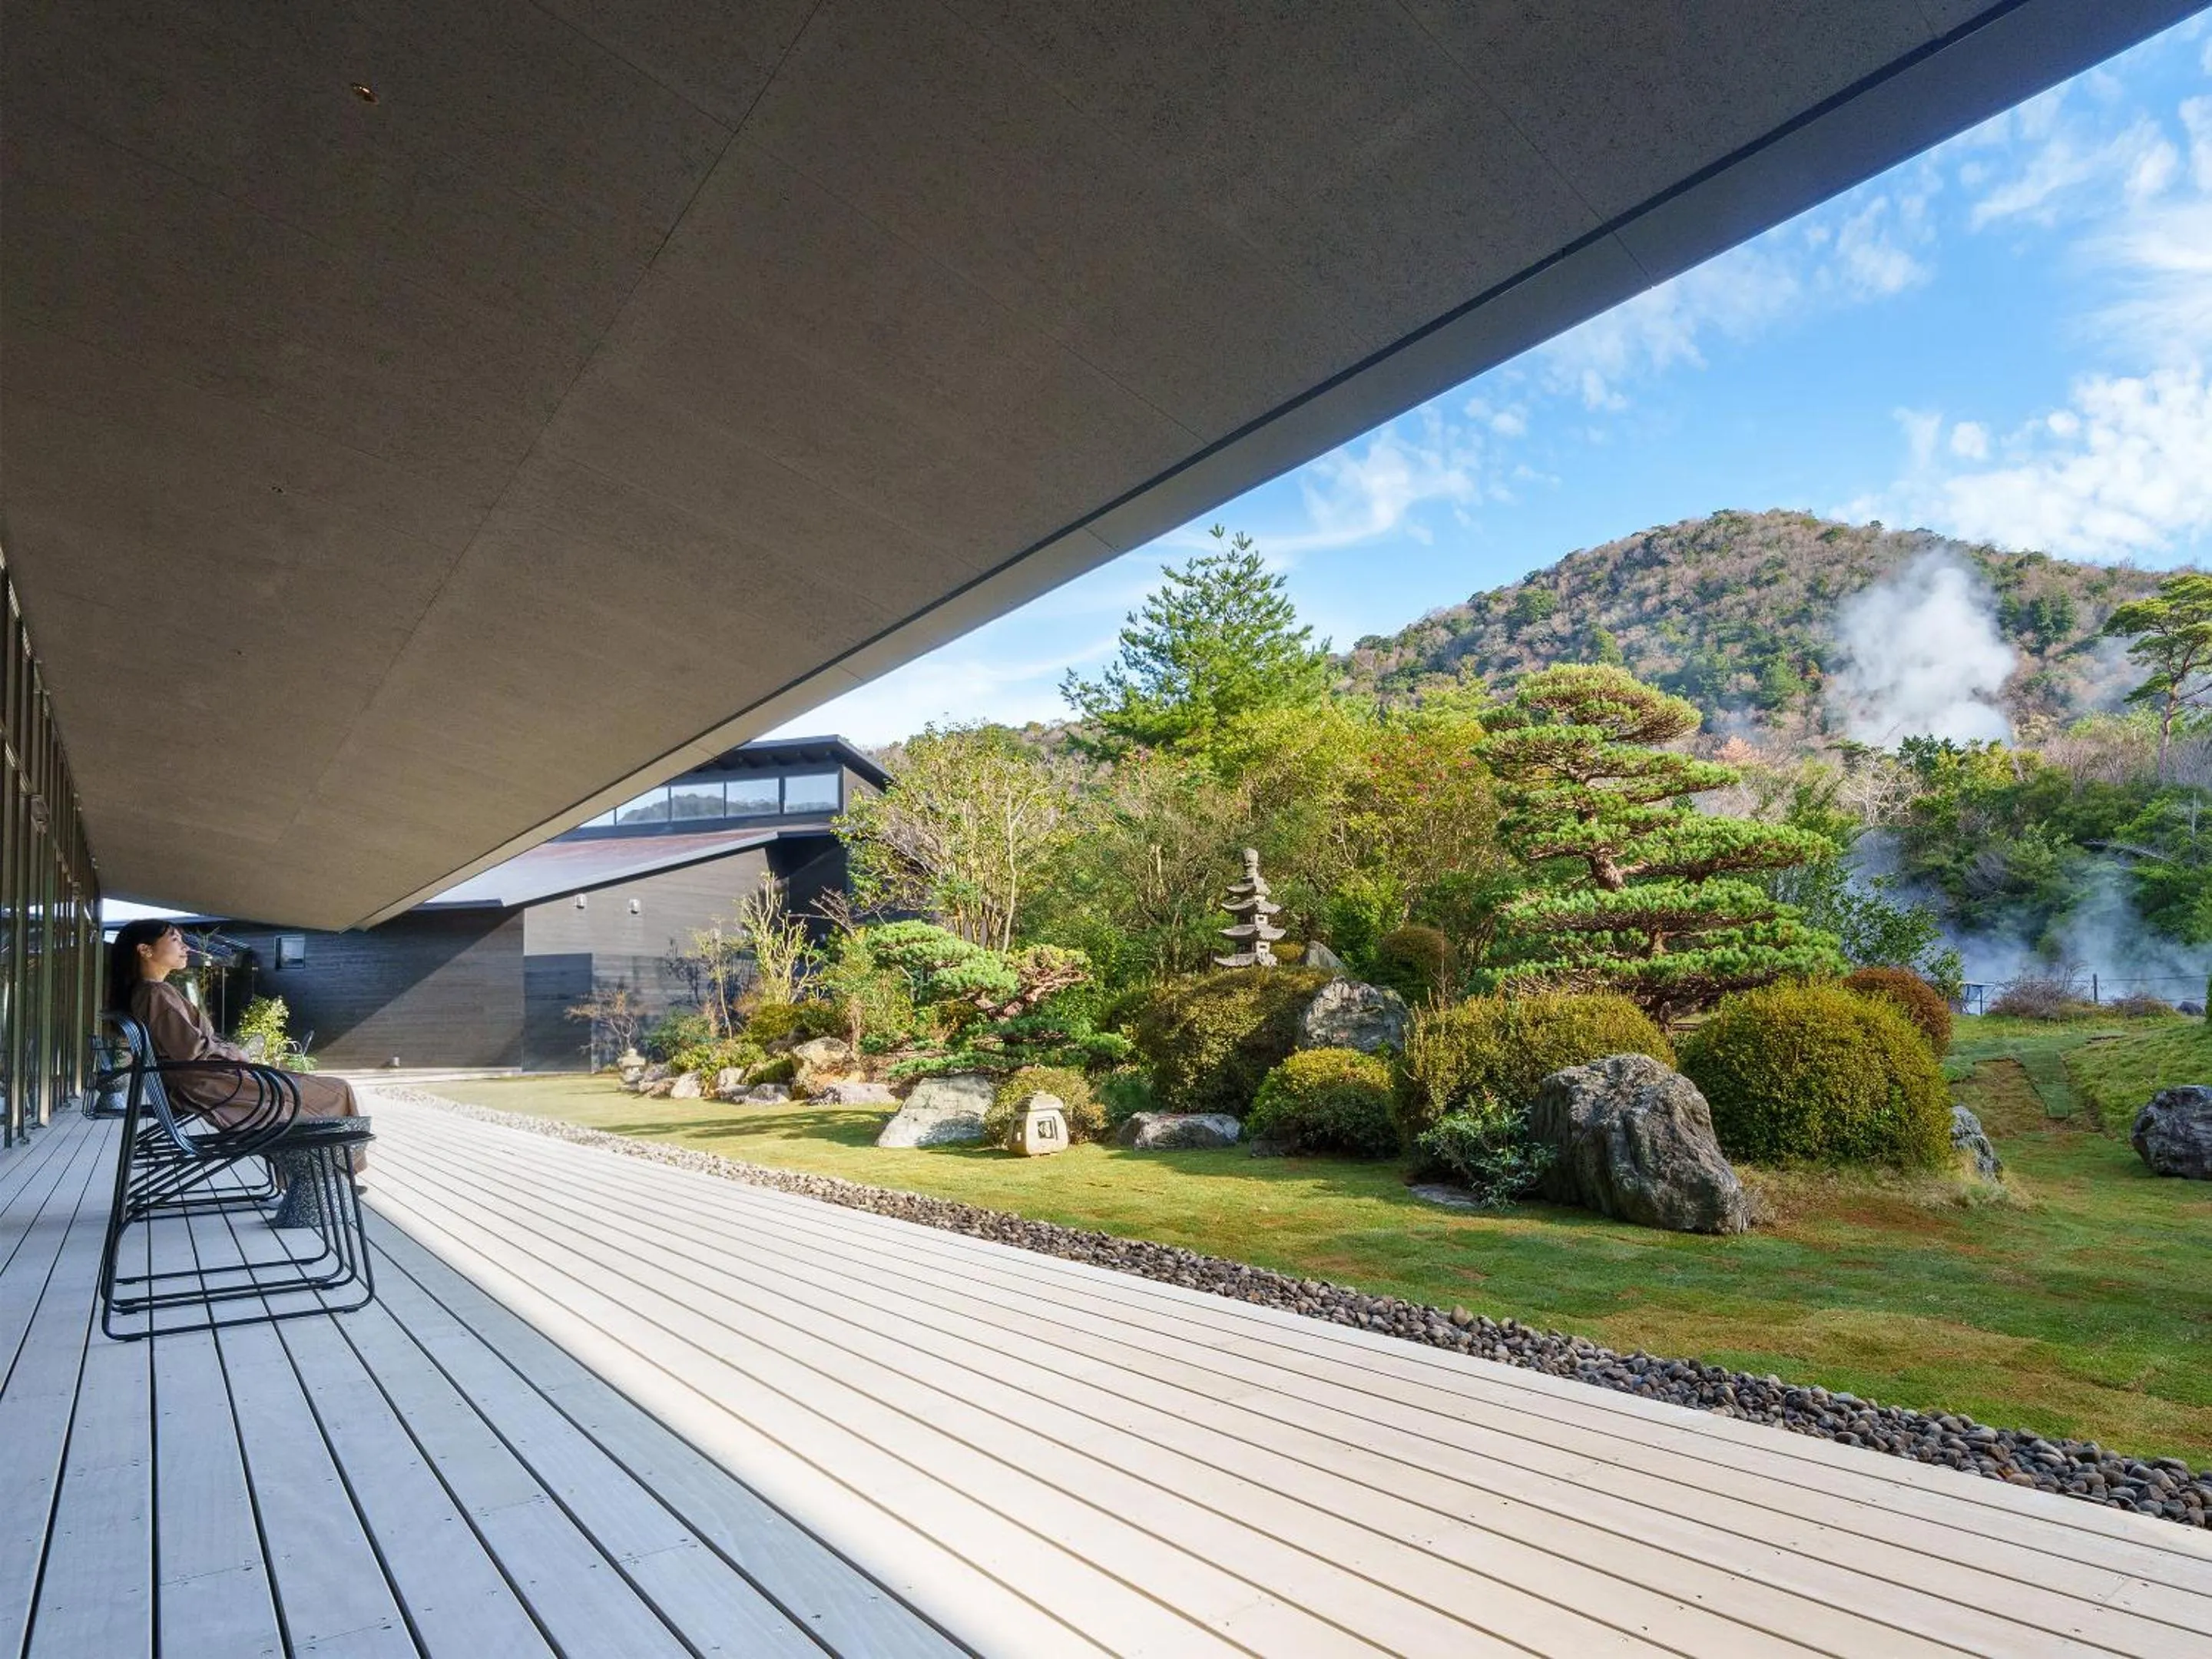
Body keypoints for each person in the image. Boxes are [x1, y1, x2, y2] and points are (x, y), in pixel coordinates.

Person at [106, 919, 366, 1172]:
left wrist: (233, 1053)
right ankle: (327, 1177)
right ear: (145, 950)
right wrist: (236, 1052)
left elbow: (188, 1046)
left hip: (209, 1082)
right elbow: (191, 1049)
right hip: (213, 1087)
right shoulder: (156, 994)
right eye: (175, 940)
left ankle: (320, 1175)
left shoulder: (149, 993)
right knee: (337, 1091)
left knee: (314, 1091)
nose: (185, 947)